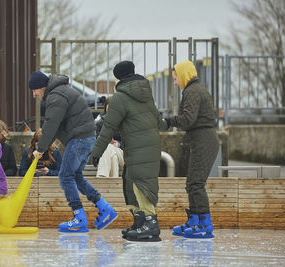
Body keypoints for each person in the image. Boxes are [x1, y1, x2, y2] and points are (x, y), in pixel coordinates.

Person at [28, 70, 118, 233]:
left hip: (80, 139)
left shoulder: (56, 96)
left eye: (35, 90)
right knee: (76, 176)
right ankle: (105, 208)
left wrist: (40, 148)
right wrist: (43, 146)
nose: (34, 94)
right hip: (86, 138)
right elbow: (55, 126)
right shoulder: (59, 92)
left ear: (42, 87)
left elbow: (51, 124)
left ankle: (79, 218)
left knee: (65, 176)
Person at [91, 61, 168, 242]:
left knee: (140, 183)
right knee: (131, 182)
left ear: (118, 77)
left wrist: (96, 152)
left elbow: (108, 127)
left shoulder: (120, 97)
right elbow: (158, 120)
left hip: (138, 145)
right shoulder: (146, 94)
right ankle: (141, 220)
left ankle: (151, 224)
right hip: (148, 144)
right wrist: (168, 123)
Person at [166, 60, 219, 238]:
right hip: (201, 139)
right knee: (192, 183)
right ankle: (194, 221)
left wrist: (168, 121)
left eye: (175, 79)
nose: (175, 83)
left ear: (183, 75)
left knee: (196, 184)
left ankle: (205, 225)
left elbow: (188, 119)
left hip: (204, 140)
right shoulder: (193, 90)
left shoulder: (193, 91)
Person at [95, 97, 124, 177]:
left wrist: (118, 144)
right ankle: (113, 186)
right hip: (108, 152)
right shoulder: (100, 123)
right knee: (113, 157)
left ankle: (101, 176)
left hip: (124, 154)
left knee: (108, 148)